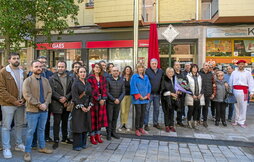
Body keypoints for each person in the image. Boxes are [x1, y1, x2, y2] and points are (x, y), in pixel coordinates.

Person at [23, 60, 53, 161]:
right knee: (30, 131)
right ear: (32, 68)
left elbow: (49, 92)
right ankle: (27, 152)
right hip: (32, 111)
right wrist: (39, 104)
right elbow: (27, 95)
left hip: (44, 110)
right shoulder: (28, 80)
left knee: (41, 130)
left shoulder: (45, 80)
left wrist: (46, 103)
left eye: (40, 66)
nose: (39, 68)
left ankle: (42, 147)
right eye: (36, 66)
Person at [0, 53, 26, 158]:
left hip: (21, 103)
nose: (16, 60)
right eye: (14, 58)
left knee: (19, 124)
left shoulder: (22, 72)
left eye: (17, 58)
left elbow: (25, 87)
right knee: (6, 126)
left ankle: (18, 144)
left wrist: (23, 99)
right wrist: (13, 100)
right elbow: (1, 90)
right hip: (8, 104)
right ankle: (6, 148)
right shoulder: (3, 72)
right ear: (9, 60)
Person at [49, 61, 73, 149]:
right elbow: (51, 91)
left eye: (62, 67)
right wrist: (60, 98)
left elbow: (72, 90)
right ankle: (56, 140)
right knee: (56, 123)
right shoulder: (52, 78)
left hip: (66, 104)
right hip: (56, 103)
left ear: (65, 68)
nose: (60, 68)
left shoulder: (70, 78)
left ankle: (65, 138)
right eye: (59, 66)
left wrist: (66, 98)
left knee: (65, 122)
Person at [71, 66, 93, 151]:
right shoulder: (75, 83)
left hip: (87, 107)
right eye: (81, 72)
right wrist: (82, 106)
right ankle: (77, 145)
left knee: (85, 125)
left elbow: (91, 95)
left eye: (84, 72)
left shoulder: (87, 83)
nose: (83, 74)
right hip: (78, 109)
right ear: (77, 73)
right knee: (78, 126)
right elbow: (75, 97)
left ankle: (83, 143)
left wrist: (90, 105)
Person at [87, 63, 108, 144]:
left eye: (99, 67)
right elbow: (91, 90)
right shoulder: (90, 78)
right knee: (93, 120)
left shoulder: (103, 78)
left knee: (99, 119)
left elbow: (105, 89)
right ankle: (92, 136)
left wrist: (103, 99)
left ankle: (98, 135)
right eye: (96, 67)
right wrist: (98, 99)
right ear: (93, 68)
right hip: (93, 102)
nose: (97, 69)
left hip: (102, 103)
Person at [229, 60, 254, 128]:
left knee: (243, 106)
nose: (241, 65)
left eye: (242, 64)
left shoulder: (248, 73)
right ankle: (236, 120)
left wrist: (252, 92)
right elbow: (231, 81)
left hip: (244, 91)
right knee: (236, 106)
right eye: (240, 64)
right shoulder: (234, 72)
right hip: (235, 90)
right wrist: (230, 90)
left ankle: (242, 121)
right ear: (237, 65)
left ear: (244, 65)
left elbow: (251, 82)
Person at [130, 64, 151, 136]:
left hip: (145, 98)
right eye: (139, 67)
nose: (141, 69)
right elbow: (133, 87)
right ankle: (136, 129)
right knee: (138, 113)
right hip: (138, 99)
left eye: (142, 67)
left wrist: (147, 95)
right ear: (137, 69)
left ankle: (141, 128)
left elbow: (149, 86)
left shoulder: (146, 77)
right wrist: (139, 96)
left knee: (143, 113)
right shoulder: (134, 77)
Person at [144, 58, 164, 131]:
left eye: (155, 63)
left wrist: (161, 90)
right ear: (150, 64)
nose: (154, 65)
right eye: (153, 64)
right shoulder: (147, 71)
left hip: (157, 94)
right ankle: (145, 124)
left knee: (157, 109)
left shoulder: (161, 71)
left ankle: (155, 123)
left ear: (157, 64)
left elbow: (162, 81)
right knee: (147, 109)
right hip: (149, 94)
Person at [106, 66, 125, 140]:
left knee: (115, 118)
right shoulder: (108, 80)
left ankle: (113, 132)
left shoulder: (121, 80)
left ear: (119, 72)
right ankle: (108, 133)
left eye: (117, 71)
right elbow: (107, 92)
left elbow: (123, 91)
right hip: (110, 103)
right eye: (114, 71)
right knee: (109, 118)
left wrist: (119, 100)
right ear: (111, 72)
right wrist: (114, 99)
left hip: (118, 102)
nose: (115, 72)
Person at [185, 64, 205, 129]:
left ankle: (195, 122)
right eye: (193, 68)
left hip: (198, 96)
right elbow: (186, 87)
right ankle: (189, 121)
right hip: (191, 96)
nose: (195, 69)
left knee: (196, 109)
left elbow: (203, 86)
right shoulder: (187, 76)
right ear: (191, 69)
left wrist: (201, 94)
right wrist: (192, 94)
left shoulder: (200, 76)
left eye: (196, 68)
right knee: (190, 109)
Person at [199, 62, 216, 128]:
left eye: (208, 66)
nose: (207, 66)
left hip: (208, 93)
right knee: (198, 107)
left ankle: (205, 120)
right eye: (206, 65)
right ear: (203, 66)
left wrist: (213, 93)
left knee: (206, 108)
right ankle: (197, 120)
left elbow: (213, 84)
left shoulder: (211, 74)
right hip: (200, 93)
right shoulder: (199, 73)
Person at [161, 67, 177, 132]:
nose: (171, 73)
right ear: (167, 73)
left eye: (172, 72)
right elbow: (163, 91)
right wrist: (171, 93)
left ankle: (171, 125)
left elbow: (177, 87)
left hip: (173, 99)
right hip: (166, 99)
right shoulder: (164, 79)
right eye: (169, 72)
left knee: (172, 112)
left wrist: (177, 92)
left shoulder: (174, 79)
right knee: (166, 112)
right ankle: (167, 126)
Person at [119, 66, 133, 131]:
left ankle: (125, 124)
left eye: (129, 70)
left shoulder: (131, 78)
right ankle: (121, 123)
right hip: (123, 96)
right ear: (124, 70)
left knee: (127, 110)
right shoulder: (121, 77)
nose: (128, 70)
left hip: (129, 95)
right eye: (127, 69)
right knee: (123, 110)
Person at [173, 62, 186, 127]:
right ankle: (171, 122)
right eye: (176, 65)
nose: (178, 66)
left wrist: (182, 89)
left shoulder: (183, 74)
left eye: (179, 65)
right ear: (174, 66)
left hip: (182, 93)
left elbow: (185, 82)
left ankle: (179, 121)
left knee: (181, 107)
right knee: (172, 107)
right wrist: (175, 90)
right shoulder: (172, 73)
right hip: (174, 93)